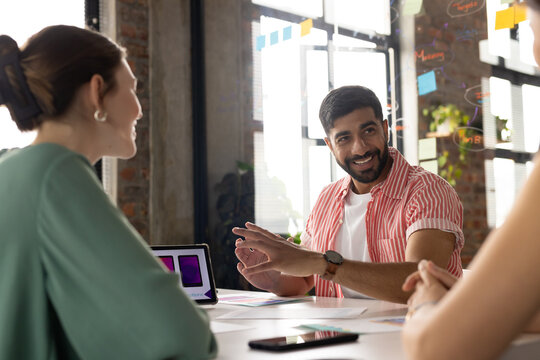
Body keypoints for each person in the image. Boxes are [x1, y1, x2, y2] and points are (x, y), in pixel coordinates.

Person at [0, 25, 216, 359]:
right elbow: (181, 336)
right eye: (132, 89)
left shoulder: (10, 168)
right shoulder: (56, 172)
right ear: (97, 92)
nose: (139, 110)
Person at [233, 85, 464, 304]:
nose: (360, 148)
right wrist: (273, 279)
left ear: (385, 129)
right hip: (342, 339)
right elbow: (304, 280)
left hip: (415, 338)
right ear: (330, 145)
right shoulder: (327, 198)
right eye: (344, 138)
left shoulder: (428, 191)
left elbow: (420, 283)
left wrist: (324, 264)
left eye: (368, 131)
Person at [401, 1, 540, 358]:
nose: (532, 48)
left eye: (529, 21)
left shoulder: (428, 189)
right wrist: (472, 299)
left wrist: (426, 306)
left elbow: (435, 350)